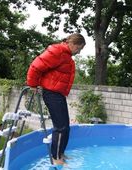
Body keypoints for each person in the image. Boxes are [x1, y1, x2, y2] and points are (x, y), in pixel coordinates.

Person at [26, 33, 86, 165]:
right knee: (60, 127)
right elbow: (36, 66)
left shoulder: (66, 56)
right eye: (79, 48)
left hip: (58, 94)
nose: (78, 52)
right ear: (73, 44)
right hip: (51, 93)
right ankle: (56, 158)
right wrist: (32, 84)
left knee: (66, 126)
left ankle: (61, 154)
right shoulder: (57, 51)